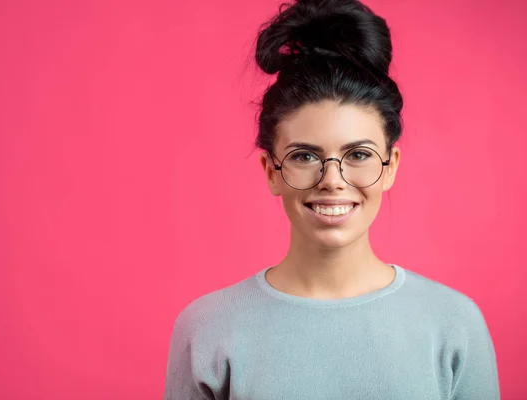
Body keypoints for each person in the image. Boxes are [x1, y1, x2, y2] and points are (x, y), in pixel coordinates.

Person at [163, 0, 500, 398]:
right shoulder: (207, 329)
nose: (332, 181)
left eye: (358, 155)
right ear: (272, 171)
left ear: (390, 165)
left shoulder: (454, 324)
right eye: (305, 156)